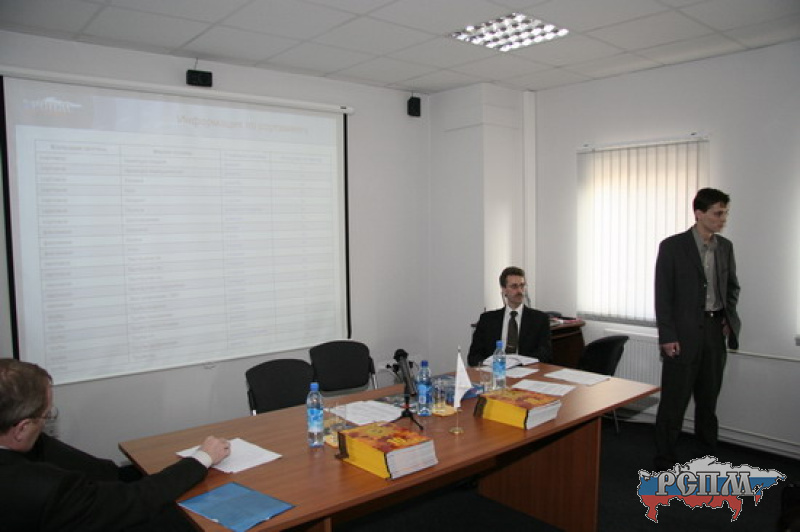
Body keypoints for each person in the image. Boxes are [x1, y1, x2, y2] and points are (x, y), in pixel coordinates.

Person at [0, 358, 231, 532]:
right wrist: (202, 459)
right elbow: (130, 502)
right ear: (21, 428)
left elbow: (102, 472)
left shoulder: (21, 447)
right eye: (46, 416)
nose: (46, 422)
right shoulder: (41, 488)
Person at [654, 188, 741, 470]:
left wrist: (728, 315)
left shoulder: (725, 247)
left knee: (708, 399)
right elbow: (663, 295)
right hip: (682, 334)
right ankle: (664, 458)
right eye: (718, 213)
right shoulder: (672, 246)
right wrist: (667, 335)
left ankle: (707, 455)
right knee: (674, 401)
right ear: (699, 213)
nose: (723, 218)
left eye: (725, 213)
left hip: (714, 331)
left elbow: (732, 287)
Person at [467, 266, 552, 367]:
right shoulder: (487, 319)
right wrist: (487, 366)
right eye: (514, 286)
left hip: (525, 371)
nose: (520, 291)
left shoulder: (539, 319)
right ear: (504, 289)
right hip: (495, 371)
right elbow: (473, 356)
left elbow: (545, 354)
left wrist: (519, 364)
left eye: (522, 286)